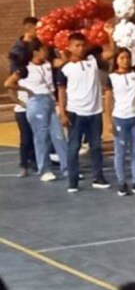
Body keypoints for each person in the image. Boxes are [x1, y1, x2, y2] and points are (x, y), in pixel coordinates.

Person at [4, 40, 67, 182]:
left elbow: (64, 63)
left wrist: (61, 48)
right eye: (44, 50)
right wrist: (25, 91)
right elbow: (8, 83)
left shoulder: (48, 64)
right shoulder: (25, 68)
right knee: (41, 136)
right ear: (35, 52)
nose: (46, 53)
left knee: (59, 136)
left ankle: (67, 168)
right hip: (36, 101)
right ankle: (45, 169)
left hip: (50, 100)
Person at [58, 32, 113, 193]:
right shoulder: (65, 69)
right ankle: (73, 181)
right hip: (75, 112)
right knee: (73, 147)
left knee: (96, 146)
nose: (80, 48)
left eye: (83, 45)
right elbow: (61, 91)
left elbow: (111, 53)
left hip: (95, 112)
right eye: (76, 45)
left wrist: (108, 36)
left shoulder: (93, 61)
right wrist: (62, 112)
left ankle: (98, 177)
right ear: (69, 47)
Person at [103, 45, 135, 197]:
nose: (125, 61)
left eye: (128, 58)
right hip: (120, 119)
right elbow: (108, 101)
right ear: (116, 60)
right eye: (122, 58)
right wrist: (108, 121)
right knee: (120, 152)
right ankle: (122, 182)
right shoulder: (111, 78)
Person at [9, 16, 39, 177]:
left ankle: (37, 160)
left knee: (39, 134)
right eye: (36, 28)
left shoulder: (39, 47)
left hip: (38, 101)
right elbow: (11, 80)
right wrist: (22, 101)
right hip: (24, 103)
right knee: (26, 135)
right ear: (29, 28)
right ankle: (24, 164)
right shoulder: (17, 51)